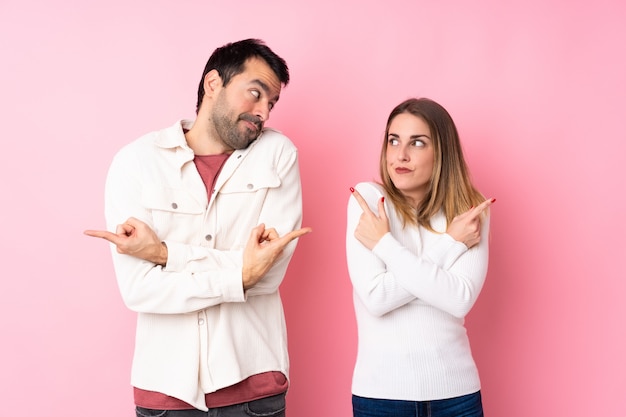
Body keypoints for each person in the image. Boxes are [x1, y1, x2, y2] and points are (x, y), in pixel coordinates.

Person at [84, 38, 311, 417]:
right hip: (167, 393)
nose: (263, 113)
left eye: (270, 103)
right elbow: (139, 290)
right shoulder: (136, 162)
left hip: (254, 386)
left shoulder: (277, 155)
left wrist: (163, 254)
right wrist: (239, 273)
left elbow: (267, 276)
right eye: (255, 94)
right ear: (212, 84)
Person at [346, 98, 494, 417]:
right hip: (380, 397)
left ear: (441, 152)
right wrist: (451, 244)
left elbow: (459, 298)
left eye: (417, 142)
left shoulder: (469, 209)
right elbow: (377, 297)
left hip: (457, 396)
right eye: (393, 140)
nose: (401, 155)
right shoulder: (369, 200)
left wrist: (384, 245)